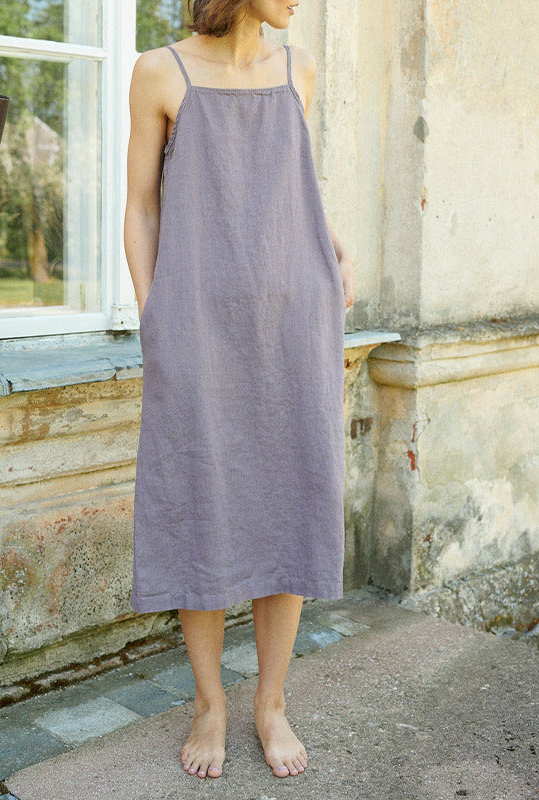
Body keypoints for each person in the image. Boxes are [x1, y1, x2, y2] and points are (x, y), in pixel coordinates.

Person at [123, 0, 355, 781]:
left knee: (291, 500)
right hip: (195, 326)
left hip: (295, 322)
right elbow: (142, 205)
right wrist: (155, 316)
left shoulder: (301, 69)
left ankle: (272, 701)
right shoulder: (162, 71)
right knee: (203, 503)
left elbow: (290, 189)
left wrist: (331, 244)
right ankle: (210, 704)